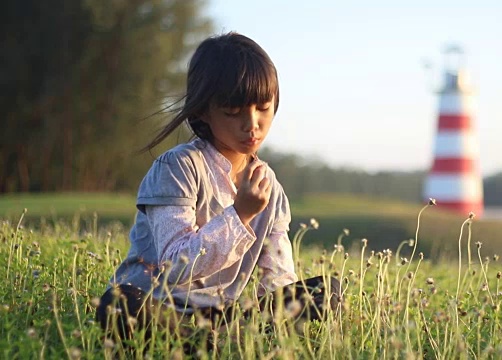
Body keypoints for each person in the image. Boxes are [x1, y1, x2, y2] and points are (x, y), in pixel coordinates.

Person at [96, 32, 340, 347]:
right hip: (159, 305)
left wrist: (279, 312)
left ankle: (217, 341)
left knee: (326, 291)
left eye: (263, 107)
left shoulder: (271, 188)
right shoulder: (177, 167)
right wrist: (240, 215)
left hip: (223, 315)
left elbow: (277, 278)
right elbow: (174, 267)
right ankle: (196, 342)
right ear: (201, 112)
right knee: (118, 303)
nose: (252, 123)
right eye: (233, 112)